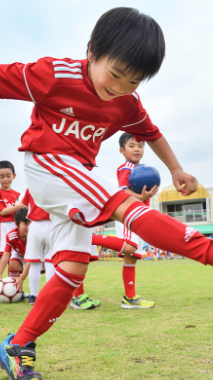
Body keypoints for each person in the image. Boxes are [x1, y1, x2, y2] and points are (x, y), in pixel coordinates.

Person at [0, 7, 213, 380]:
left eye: (134, 81)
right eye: (116, 74)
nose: (121, 87)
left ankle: (18, 345)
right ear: (91, 51)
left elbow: (151, 132)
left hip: (75, 175)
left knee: (73, 267)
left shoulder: (126, 103)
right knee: (121, 202)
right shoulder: (54, 75)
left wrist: (175, 169)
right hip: (46, 163)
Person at [91, 132, 158, 309]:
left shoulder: (142, 168)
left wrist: (146, 198)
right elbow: (123, 192)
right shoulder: (126, 168)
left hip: (139, 214)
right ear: (122, 150)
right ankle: (89, 239)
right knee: (130, 247)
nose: (137, 148)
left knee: (132, 257)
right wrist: (141, 196)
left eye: (140, 145)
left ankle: (130, 298)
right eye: (132, 145)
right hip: (128, 213)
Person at [0, 161, 26, 300]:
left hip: (17, 227)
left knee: (14, 259)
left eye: (8, 176)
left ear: (14, 176)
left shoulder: (18, 194)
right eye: (2, 176)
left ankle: (14, 288)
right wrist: (19, 206)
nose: (5, 179)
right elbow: (2, 212)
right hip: (3, 227)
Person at [20, 189, 53, 305]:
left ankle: (33, 295)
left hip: (35, 224)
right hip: (52, 223)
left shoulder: (31, 186)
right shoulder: (54, 182)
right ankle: (50, 296)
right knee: (50, 261)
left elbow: (24, 204)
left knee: (34, 263)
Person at [0, 208, 31, 299]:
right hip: (20, 252)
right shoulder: (11, 236)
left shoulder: (34, 236)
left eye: (31, 223)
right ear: (16, 224)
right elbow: (6, 254)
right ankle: (16, 291)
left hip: (38, 256)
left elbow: (32, 260)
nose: (29, 227)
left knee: (43, 269)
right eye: (25, 223)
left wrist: (22, 278)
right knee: (12, 264)